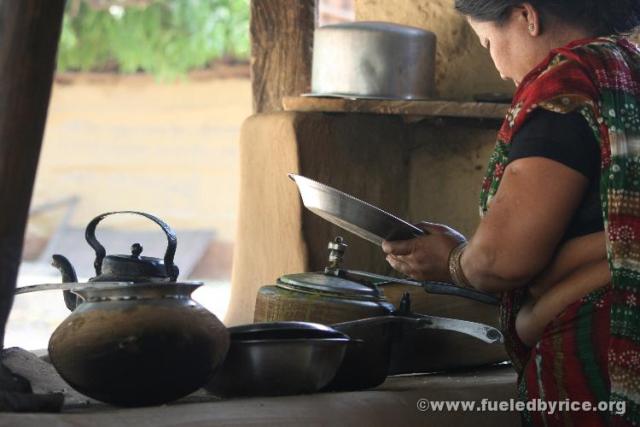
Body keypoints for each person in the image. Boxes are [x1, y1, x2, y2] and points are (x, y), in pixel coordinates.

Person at [381, 1, 640, 426]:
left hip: (596, 366)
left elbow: (501, 261)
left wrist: (453, 262)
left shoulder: (567, 87)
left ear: (527, 16)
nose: (498, 68)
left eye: (488, 42)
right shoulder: (629, 71)